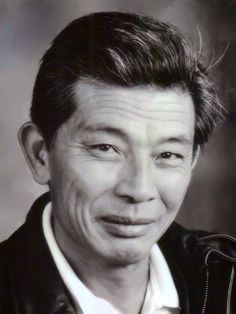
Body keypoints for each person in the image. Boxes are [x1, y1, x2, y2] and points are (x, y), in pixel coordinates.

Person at [0, 11, 235, 314]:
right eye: (106, 148)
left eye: (167, 155)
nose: (139, 189)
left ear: (191, 162)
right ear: (39, 153)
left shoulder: (224, 278)